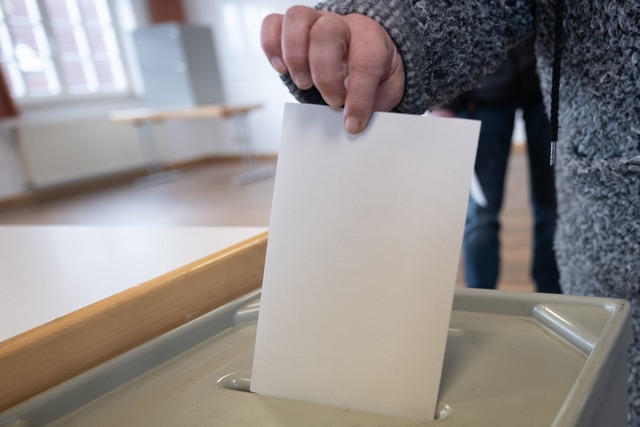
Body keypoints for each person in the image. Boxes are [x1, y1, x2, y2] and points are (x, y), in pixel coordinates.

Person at [260, 2, 639, 424]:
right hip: (485, 97)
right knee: (484, 212)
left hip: (545, 98)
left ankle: (555, 310)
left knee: (547, 213)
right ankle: (488, 303)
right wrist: (402, 38)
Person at [434, 36, 562, 294]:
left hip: (546, 91)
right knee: (483, 215)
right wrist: (445, 100)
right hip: (480, 94)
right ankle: (481, 302)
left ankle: (553, 301)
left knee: (553, 209)